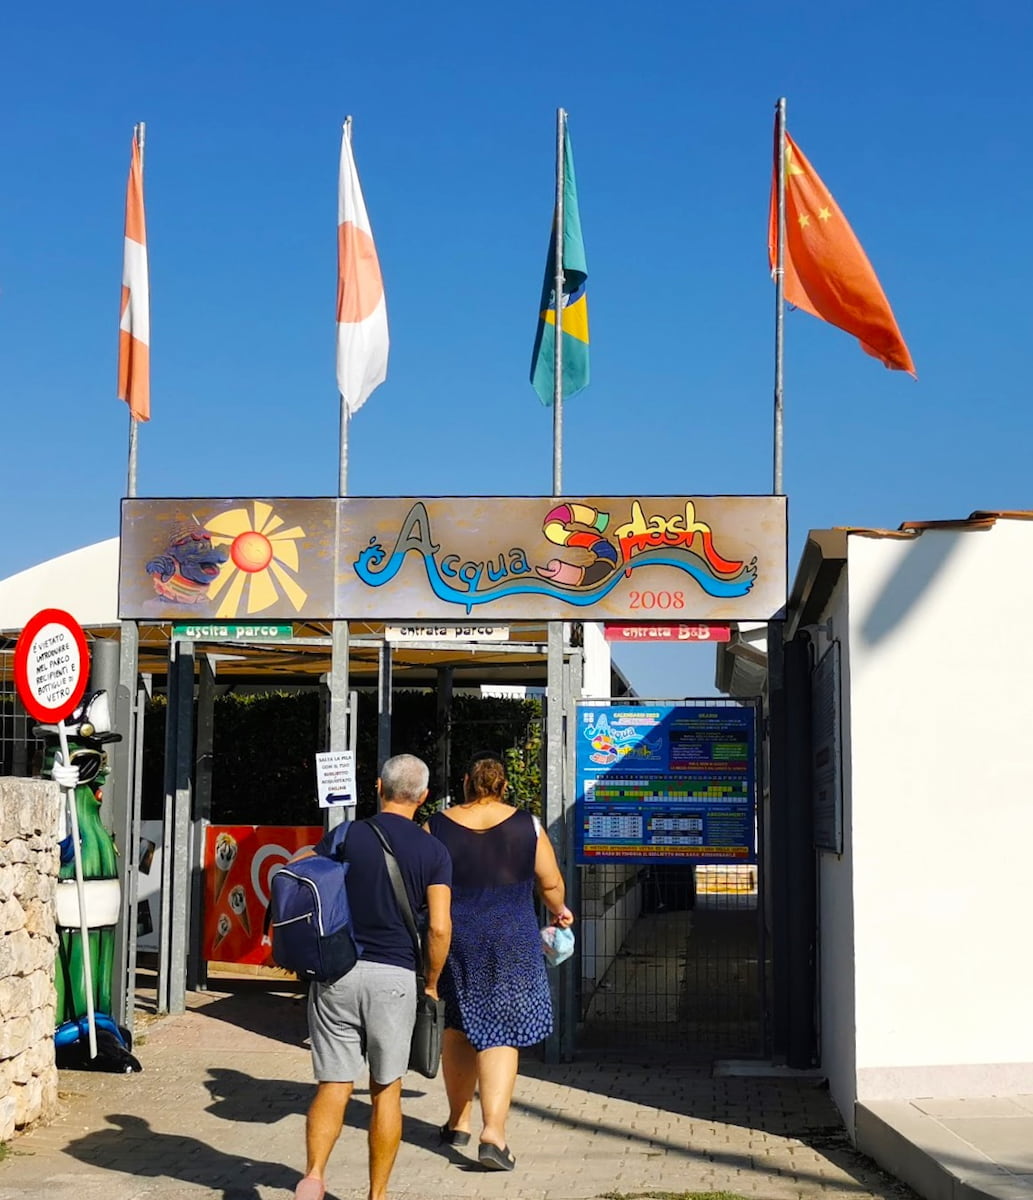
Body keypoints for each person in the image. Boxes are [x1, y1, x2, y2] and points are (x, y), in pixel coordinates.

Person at [296, 754, 452, 1200]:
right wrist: (430, 982)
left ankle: (314, 1176)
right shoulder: (434, 852)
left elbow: (301, 864)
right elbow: (439, 926)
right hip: (395, 977)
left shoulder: (347, 834)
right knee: (386, 1089)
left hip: (337, 973)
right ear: (422, 798)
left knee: (333, 1083)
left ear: (377, 788)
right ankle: (376, 1195)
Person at [426, 753, 574, 1172]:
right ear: (504, 786)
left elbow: (420, 878)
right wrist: (560, 910)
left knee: (456, 1026)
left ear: (466, 781)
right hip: (512, 937)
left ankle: (458, 1122)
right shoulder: (527, 825)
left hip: (457, 936)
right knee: (501, 1032)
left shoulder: (436, 826)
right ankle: (494, 1133)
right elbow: (550, 883)